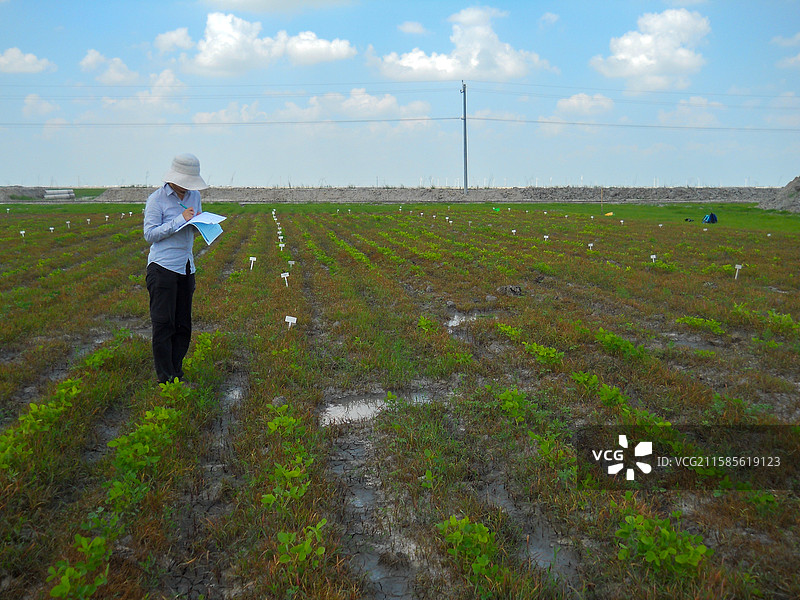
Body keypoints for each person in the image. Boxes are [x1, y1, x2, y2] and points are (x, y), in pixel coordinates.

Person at [143, 153, 207, 384]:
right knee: (163, 324)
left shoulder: (195, 196)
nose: (187, 187)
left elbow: (191, 227)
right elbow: (150, 234)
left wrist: (200, 225)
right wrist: (180, 220)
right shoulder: (156, 200)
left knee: (183, 324)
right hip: (163, 268)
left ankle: (176, 372)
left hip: (186, 267)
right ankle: (165, 378)